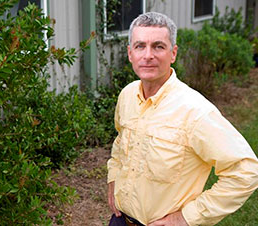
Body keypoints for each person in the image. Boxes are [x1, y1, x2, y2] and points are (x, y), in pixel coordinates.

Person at [107, 12, 258, 226]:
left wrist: (185, 218)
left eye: (158, 46)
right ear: (130, 53)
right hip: (120, 220)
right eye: (140, 46)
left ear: (173, 53)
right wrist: (113, 178)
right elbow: (121, 142)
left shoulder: (195, 111)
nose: (148, 55)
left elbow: (246, 171)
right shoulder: (128, 95)